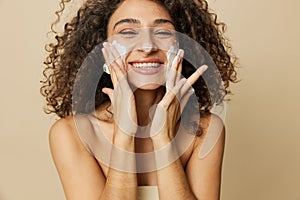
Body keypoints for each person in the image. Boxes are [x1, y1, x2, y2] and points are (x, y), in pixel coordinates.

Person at [41, 0, 238, 199]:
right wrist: (124, 135)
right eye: (127, 32)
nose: (147, 46)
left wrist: (163, 139)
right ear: (102, 49)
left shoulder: (204, 130)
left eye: (163, 32)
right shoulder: (72, 133)